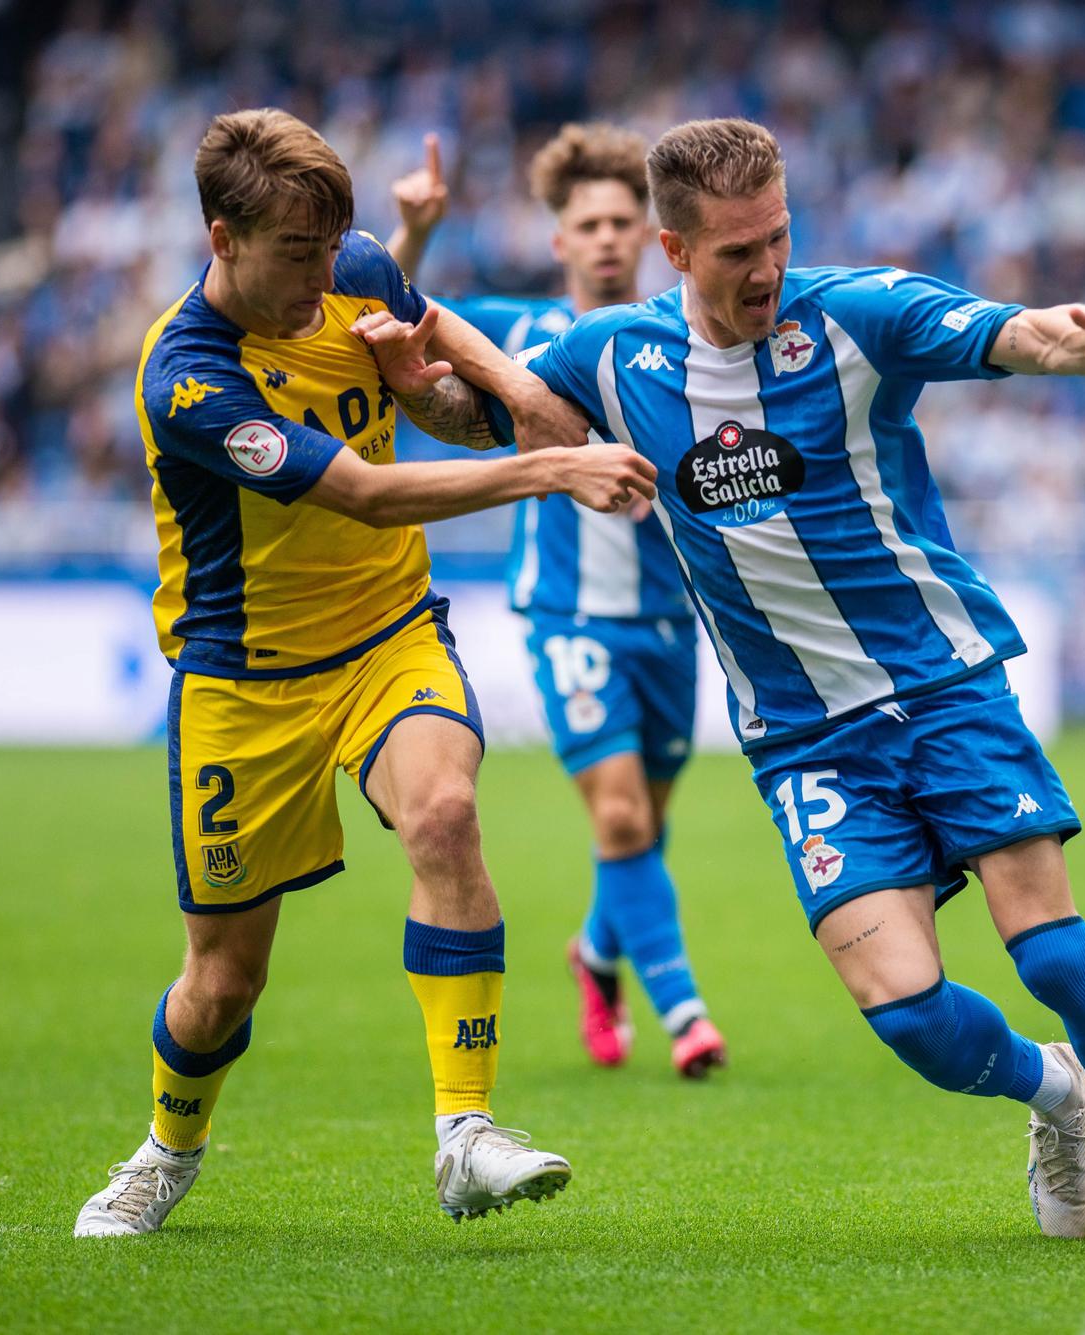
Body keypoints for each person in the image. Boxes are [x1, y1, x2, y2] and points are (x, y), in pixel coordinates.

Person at [521, 117, 1085, 1251]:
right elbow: (478, 412)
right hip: (803, 742)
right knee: (905, 1013)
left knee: (1045, 945)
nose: (765, 269)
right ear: (673, 250)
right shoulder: (615, 355)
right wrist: (419, 371)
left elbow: (1014, 334)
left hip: (939, 686)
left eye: (777, 237)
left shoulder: (856, 312)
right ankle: (1054, 1095)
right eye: (736, 252)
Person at [72, 108, 656, 1238]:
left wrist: (501, 395)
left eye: (327, 250)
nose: (318, 277)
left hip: (390, 633)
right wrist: (552, 464)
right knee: (221, 985)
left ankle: (465, 1132)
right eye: (293, 255)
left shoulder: (350, 261)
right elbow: (366, 493)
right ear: (220, 236)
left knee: (444, 814)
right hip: (246, 680)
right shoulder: (189, 379)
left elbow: (436, 356)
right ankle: (167, 1149)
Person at [388, 126, 723, 1078]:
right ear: (560, 242)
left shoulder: (683, 336)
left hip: (672, 617)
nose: (610, 237)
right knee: (618, 822)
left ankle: (596, 952)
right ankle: (686, 1013)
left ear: (653, 235)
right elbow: (397, 312)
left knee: (640, 832)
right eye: (591, 223)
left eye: (626, 220)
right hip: (568, 615)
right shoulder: (520, 334)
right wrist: (411, 233)